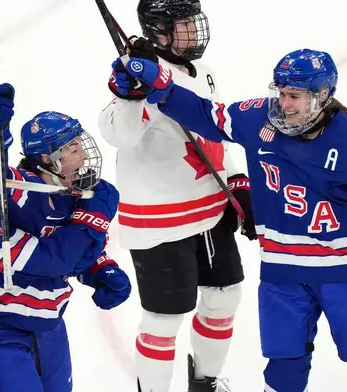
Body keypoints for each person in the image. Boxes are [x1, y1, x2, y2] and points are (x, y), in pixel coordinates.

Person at [115, 48, 347, 391]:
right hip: (282, 276)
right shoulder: (257, 118)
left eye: (295, 96)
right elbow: (204, 115)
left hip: (346, 276)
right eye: (281, 93)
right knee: (283, 370)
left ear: (321, 97)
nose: (285, 104)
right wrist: (160, 84)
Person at [99, 1, 256, 391]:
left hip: (211, 210)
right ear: (160, 31)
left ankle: (205, 382)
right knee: (164, 318)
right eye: (184, 23)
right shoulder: (141, 76)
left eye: (194, 20)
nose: (194, 29)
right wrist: (129, 95)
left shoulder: (205, 73)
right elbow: (122, 135)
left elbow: (216, 133)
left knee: (224, 298)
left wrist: (238, 182)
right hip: (160, 222)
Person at [0, 89, 130, 392]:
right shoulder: (22, 187)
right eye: (71, 147)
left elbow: (76, 254)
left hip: (49, 323)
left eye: (80, 143)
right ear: (46, 158)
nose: (82, 153)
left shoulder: (81, 192)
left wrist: (99, 268)